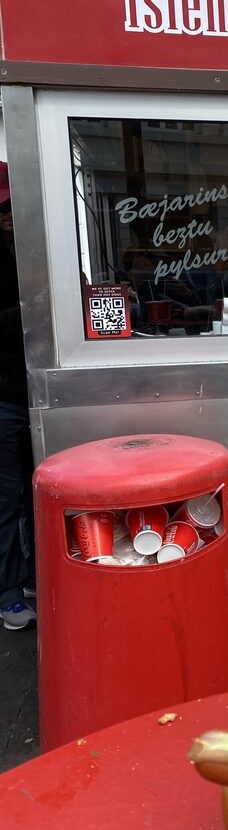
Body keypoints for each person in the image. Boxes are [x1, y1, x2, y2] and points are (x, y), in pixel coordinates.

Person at [0, 161, 36, 630]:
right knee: (7, 499)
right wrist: (32, 309)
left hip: (31, 391)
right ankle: (8, 591)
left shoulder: (27, 248)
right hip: (4, 396)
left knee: (31, 495)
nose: (10, 213)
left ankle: (27, 576)